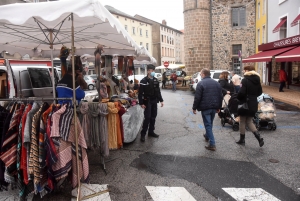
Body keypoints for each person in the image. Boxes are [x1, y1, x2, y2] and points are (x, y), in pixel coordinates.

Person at [192, 68, 223, 151]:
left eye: (201, 74)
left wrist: (194, 108)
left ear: (203, 74)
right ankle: (207, 135)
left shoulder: (201, 83)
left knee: (208, 124)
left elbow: (197, 97)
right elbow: (220, 96)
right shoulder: (217, 83)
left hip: (205, 107)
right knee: (210, 123)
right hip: (214, 107)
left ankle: (212, 144)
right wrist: (219, 107)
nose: (200, 75)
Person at [236, 66, 264, 147]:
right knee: (249, 121)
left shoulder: (245, 80)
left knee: (242, 121)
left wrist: (238, 98)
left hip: (245, 102)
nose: (243, 71)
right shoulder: (257, 80)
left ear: (247, 71)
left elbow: (241, 92)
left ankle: (242, 139)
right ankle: (258, 137)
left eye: (244, 70)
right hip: (253, 103)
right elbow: (260, 92)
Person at [138, 64, 164, 142]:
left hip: (154, 101)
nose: (151, 72)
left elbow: (158, 92)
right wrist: (141, 103)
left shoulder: (156, 80)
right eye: (150, 70)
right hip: (147, 101)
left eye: (153, 71)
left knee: (153, 117)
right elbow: (140, 93)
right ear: (148, 71)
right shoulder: (143, 81)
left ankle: (151, 132)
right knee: (147, 117)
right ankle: (143, 134)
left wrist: (161, 100)